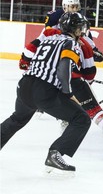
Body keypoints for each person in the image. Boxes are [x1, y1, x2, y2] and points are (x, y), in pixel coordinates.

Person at [1, 12, 91, 172]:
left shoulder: (48, 38)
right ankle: (56, 153)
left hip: (24, 86)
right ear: (76, 29)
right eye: (80, 29)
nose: (82, 32)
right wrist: (69, 94)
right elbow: (64, 69)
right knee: (82, 119)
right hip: (43, 90)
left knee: (17, 119)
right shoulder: (71, 43)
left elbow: (29, 55)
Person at [20, 0, 103, 124]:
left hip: (71, 59)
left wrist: (94, 51)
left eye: (77, 6)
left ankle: (67, 111)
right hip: (56, 58)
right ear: (65, 7)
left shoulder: (80, 20)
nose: (75, 9)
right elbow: (45, 39)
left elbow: (87, 40)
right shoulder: (55, 18)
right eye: (72, 6)